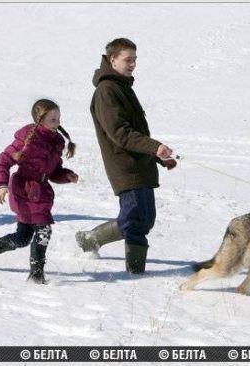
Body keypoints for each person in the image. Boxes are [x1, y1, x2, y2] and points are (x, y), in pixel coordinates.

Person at [75, 38, 176, 274]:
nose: (133, 64)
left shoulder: (122, 86)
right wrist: (154, 147)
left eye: (135, 59)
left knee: (144, 219)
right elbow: (120, 133)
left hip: (139, 164)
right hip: (124, 166)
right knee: (135, 220)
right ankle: (135, 274)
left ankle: (91, 239)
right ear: (113, 59)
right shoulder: (106, 91)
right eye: (128, 59)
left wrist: (158, 156)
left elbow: (135, 132)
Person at [0, 99, 79, 284]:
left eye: (59, 118)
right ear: (40, 120)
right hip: (24, 191)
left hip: (41, 193)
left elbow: (54, 171)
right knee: (43, 230)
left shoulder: (57, 141)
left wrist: (66, 175)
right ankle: (36, 275)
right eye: (53, 119)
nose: (58, 123)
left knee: (22, 238)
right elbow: (4, 161)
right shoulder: (28, 138)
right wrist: (2, 185)